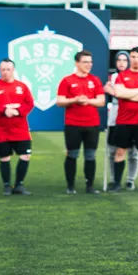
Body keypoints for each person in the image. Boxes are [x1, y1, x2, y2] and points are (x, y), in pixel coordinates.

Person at [105, 47, 138, 193]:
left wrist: (129, 94)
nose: (135, 60)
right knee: (120, 151)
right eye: (133, 57)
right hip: (124, 121)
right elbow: (118, 92)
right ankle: (116, 183)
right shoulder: (122, 76)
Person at [56, 50, 105, 195]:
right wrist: (75, 100)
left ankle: (90, 186)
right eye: (85, 62)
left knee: (90, 155)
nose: (89, 65)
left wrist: (88, 100)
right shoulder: (67, 80)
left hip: (92, 124)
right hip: (73, 124)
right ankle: (70, 186)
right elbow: (59, 101)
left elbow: (101, 101)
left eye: (90, 62)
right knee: (72, 154)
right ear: (77, 63)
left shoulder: (95, 80)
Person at [0, 58, 34, 196]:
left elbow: (29, 103)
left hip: (20, 129)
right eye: (3, 70)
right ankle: (7, 185)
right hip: (1, 129)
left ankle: (19, 185)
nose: (5, 72)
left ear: (13, 70)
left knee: (25, 155)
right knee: (5, 157)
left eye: (8, 69)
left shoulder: (22, 86)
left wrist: (17, 111)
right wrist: (3, 110)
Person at [106, 51, 138, 190]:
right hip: (114, 117)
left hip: (132, 118)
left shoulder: (133, 76)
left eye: (124, 60)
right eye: (118, 60)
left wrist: (116, 92)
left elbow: (120, 93)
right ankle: (114, 179)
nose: (121, 63)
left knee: (134, 152)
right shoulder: (111, 77)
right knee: (113, 151)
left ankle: (130, 180)